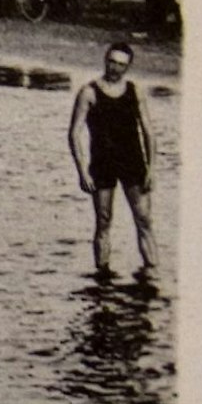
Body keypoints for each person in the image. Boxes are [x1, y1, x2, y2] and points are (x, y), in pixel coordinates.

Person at [68, 42, 158, 274]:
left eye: (121, 64)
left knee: (144, 220)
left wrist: (151, 169)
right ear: (105, 60)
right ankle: (103, 278)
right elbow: (74, 133)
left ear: (127, 67)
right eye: (111, 62)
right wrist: (82, 172)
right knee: (103, 222)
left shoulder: (134, 91)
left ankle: (152, 274)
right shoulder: (89, 92)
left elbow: (149, 131)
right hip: (103, 163)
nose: (114, 68)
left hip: (133, 161)